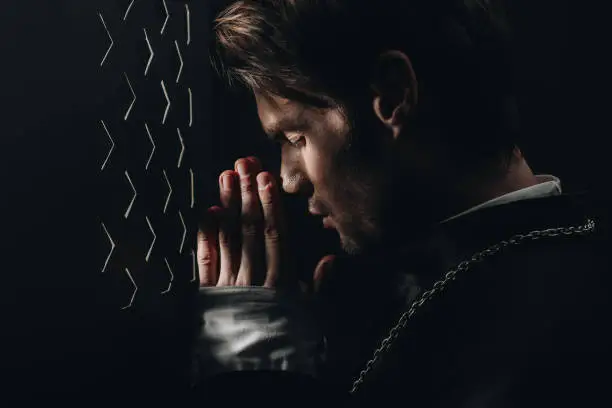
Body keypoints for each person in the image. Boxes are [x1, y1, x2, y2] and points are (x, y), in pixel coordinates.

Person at [192, 0, 611, 406]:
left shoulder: (553, 335)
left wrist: (256, 379)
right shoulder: (408, 287)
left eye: (297, 138)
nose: (288, 180)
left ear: (393, 95)